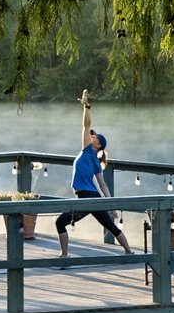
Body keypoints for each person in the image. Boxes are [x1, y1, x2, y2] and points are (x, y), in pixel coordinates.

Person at [55, 89, 133, 258]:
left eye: (95, 137)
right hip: (92, 197)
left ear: (98, 145)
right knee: (110, 226)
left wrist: (87, 106)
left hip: (86, 197)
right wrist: (111, 207)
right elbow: (102, 185)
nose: (92, 136)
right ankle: (129, 252)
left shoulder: (88, 151)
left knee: (60, 222)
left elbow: (86, 125)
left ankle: (64, 255)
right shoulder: (95, 159)